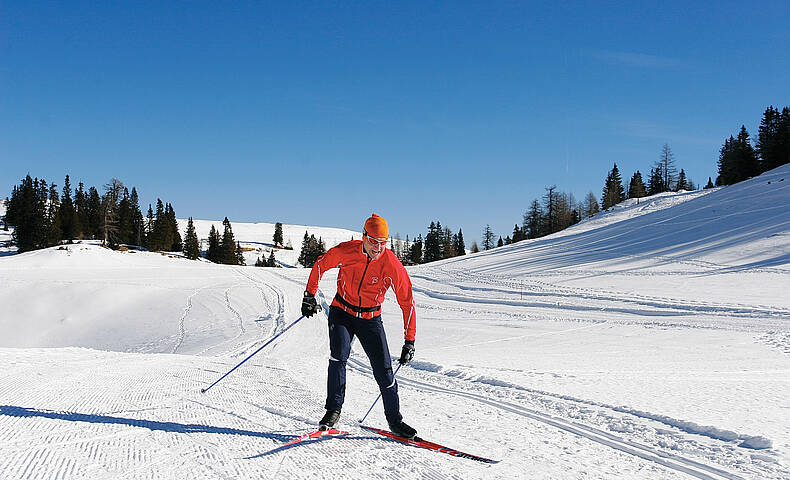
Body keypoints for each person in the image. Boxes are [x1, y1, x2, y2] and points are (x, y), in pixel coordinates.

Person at [301, 213, 418, 438]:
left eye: (382, 242)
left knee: (384, 371)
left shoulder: (391, 263)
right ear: (364, 236)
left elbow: (407, 301)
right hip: (342, 312)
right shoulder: (347, 251)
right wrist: (309, 295)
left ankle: (395, 421)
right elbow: (320, 265)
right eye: (373, 241)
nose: (377, 247)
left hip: (370, 319)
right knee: (338, 357)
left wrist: (409, 340)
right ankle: (332, 411)